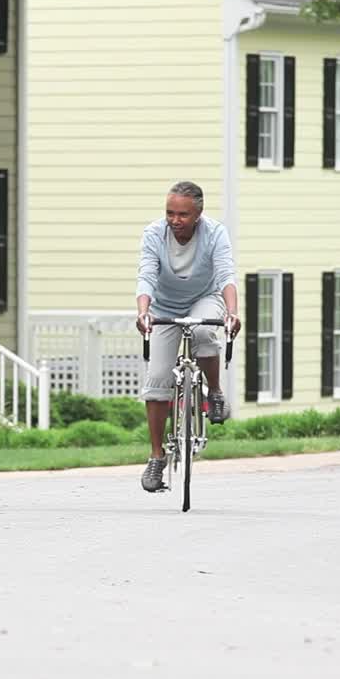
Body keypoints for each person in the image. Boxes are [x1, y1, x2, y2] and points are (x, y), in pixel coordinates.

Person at [135, 181, 241, 493]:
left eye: (182, 214)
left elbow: (225, 275)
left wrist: (232, 312)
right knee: (156, 381)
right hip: (164, 307)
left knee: (205, 331)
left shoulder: (215, 233)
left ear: (198, 214)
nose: (175, 220)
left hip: (204, 299)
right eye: (170, 212)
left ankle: (215, 393)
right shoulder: (154, 233)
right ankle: (156, 457)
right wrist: (143, 311)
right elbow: (146, 275)